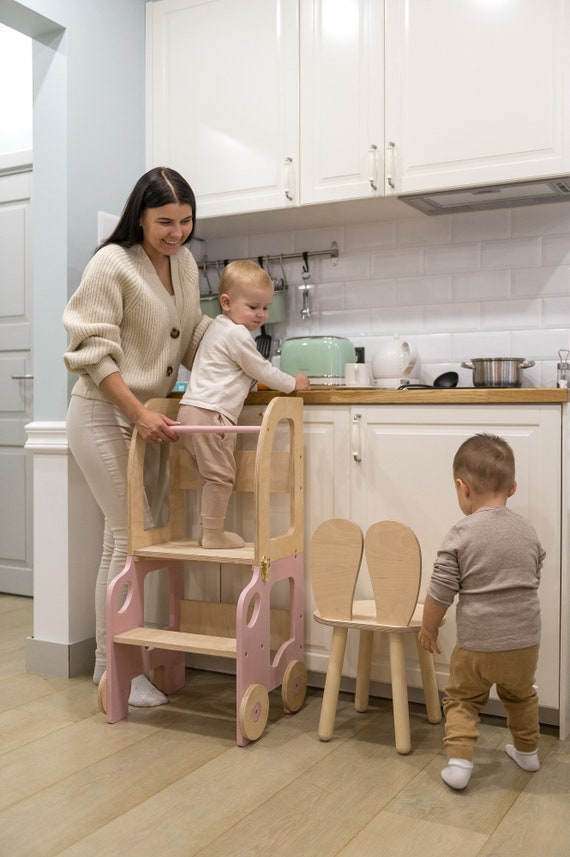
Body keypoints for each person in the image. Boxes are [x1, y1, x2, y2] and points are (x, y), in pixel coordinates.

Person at [63, 167, 211, 707]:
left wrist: (240, 358)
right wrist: (138, 414)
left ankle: (111, 670)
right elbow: (90, 350)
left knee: (119, 541)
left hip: (146, 420)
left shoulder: (185, 263)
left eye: (185, 220)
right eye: (165, 221)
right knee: (133, 540)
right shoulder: (112, 263)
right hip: (105, 412)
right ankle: (121, 674)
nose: (177, 232)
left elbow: (190, 335)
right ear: (140, 216)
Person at [418, 433, 545, 791]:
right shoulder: (527, 530)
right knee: (521, 695)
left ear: (463, 488)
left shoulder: (461, 533)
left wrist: (429, 629)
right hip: (524, 642)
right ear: (513, 488)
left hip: (478, 644)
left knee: (462, 699)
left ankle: (460, 764)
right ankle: (528, 752)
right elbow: (534, 573)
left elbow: (440, 591)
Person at [177, 259, 310, 549]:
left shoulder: (217, 328)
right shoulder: (236, 334)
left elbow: (238, 371)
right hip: (211, 415)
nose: (261, 314)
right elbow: (261, 369)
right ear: (226, 302)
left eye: (265, 307)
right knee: (220, 477)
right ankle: (213, 535)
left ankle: (207, 532)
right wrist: (293, 383)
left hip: (190, 412)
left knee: (209, 478)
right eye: (253, 307)